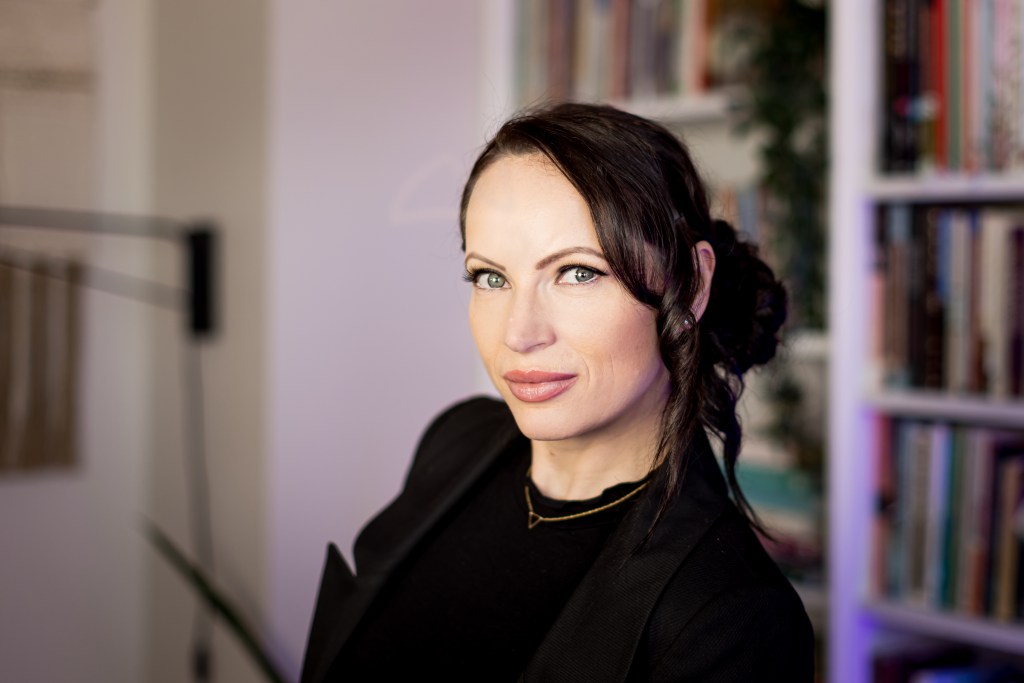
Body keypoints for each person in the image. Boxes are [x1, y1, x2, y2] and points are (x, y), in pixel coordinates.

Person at [300, 103, 815, 682]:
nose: (519, 334)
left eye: (577, 272)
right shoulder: (457, 440)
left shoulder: (732, 620)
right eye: (491, 277)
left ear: (691, 284)